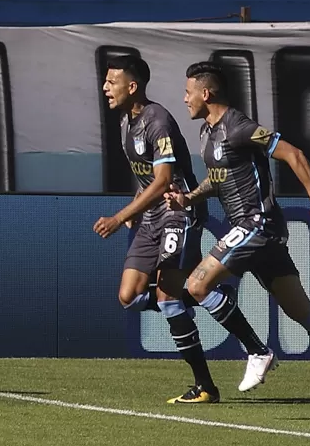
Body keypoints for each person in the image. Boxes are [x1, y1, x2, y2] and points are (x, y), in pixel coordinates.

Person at [166, 61, 310, 420]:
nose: (183, 99)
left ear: (206, 92)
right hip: (254, 231)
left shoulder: (239, 126)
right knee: (300, 310)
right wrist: (189, 199)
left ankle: (257, 351)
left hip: (256, 224)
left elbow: (294, 154)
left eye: (187, 92)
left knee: (197, 285)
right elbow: (217, 179)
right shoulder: (206, 133)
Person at [94, 55, 255, 404]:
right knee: (130, 296)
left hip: (177, 212)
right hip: (151, 216)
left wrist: (121, 216)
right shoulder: (127, 122)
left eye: (112, 81)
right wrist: (138, 206)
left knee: (167, 298)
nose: (105, 87)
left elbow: (166, 179)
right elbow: (147, 177)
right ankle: (206, 295)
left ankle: (205, 386)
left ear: (132, 86)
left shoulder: (158, 121)